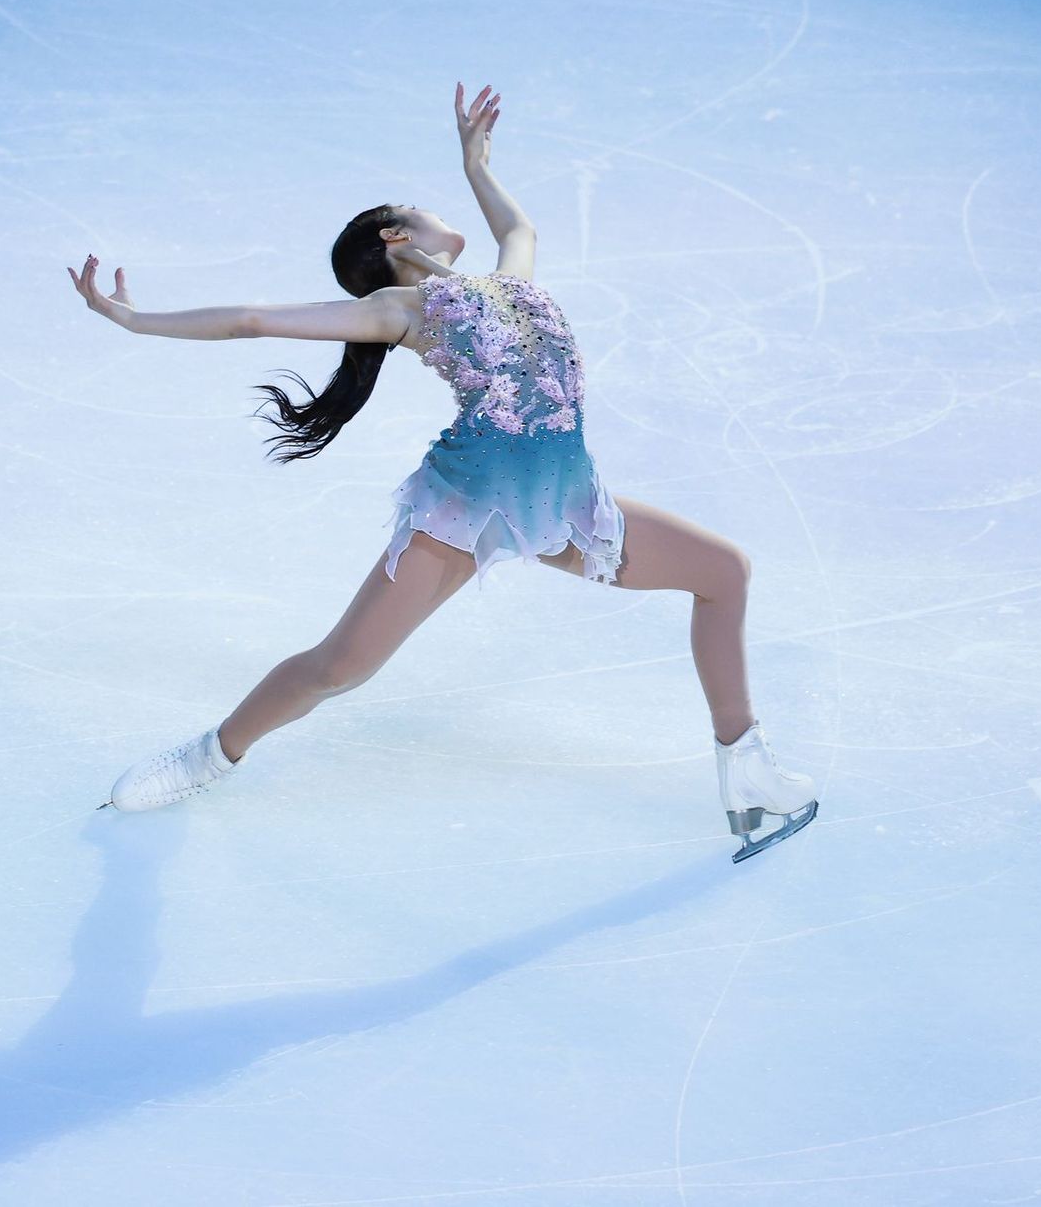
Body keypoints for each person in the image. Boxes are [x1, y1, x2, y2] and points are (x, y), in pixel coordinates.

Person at [65, 81, 817, 863]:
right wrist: (131, 318)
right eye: (423, 207)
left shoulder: (509, 283)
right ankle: (205, 757)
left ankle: (747, 772)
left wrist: (475, 163)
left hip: (566, 503)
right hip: (465, 509)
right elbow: (252, 320)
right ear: (396, 235)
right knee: (340, 668)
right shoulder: (403, 310)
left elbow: (518, 225)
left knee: (724, 572)